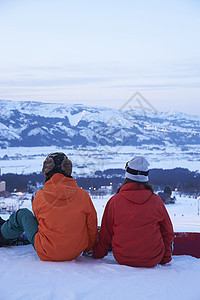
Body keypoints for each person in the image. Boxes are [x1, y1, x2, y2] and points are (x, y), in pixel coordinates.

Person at [0, 152, 98, 261]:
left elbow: (38, 221)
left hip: (47, 252)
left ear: (46, 171)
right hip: (75, 251)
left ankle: (3, 235)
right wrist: (89, 247)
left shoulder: (40, 196)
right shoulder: (83, 195)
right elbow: (91, 225)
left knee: (22, 214)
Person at [93, 156, 174, 268]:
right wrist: (165, 258)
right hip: (153, 258)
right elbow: (168, 232)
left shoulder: (115, 201)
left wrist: (98, 254)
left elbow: (105, 234)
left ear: (127, 175)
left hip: (123, 258)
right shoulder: (156, 201)